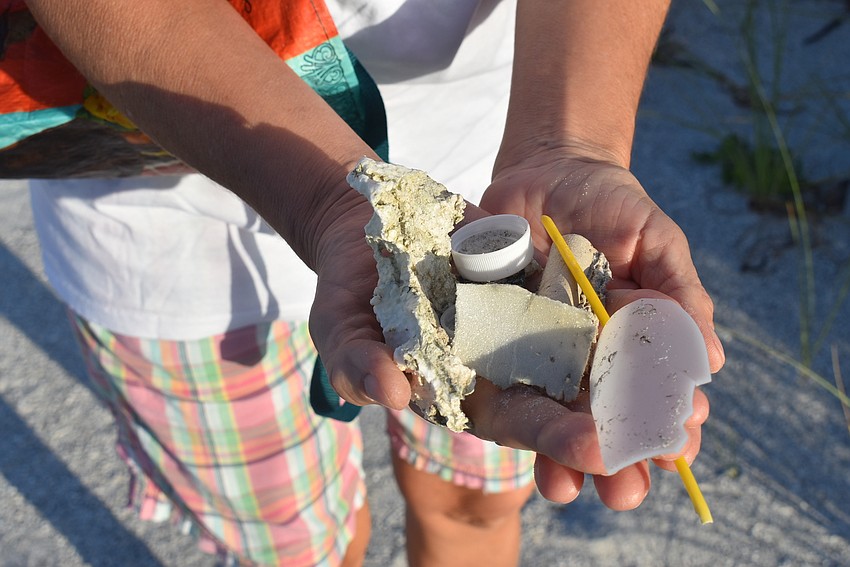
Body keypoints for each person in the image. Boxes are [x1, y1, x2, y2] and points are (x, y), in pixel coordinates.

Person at [21, 0, 724, 565]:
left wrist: (573, 144)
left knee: (471, 506)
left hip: (485, 165)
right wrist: (330, 202)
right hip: (170, 233)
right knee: (292, 547)